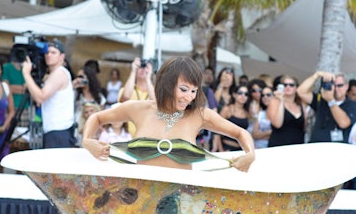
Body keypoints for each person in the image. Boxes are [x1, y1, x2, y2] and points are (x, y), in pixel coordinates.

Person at [82, 56, 255, 172]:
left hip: (181, 205)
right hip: (139, 200)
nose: (189, 97)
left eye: (194, 91)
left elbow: (241, 133)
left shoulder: (200, 115)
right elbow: (96, 117)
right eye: (184, 89)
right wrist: (87, 141)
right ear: (166, 84)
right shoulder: (138, 109)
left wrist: (250, 155)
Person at [22, 39, 76, 148]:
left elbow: (40, 97)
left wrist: (26, 74)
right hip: (56, 130)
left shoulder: (59, 73)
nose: (49, 55)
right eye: (47, 52)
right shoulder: (53, 74)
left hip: (58, 131)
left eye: (53, 52)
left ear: (62, 56)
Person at [297, 71, 356, 143]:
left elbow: (343, 123)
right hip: (316, 146)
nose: (335, 89)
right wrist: (316, 75)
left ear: (347, 86)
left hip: (336, 149)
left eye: (339, 85)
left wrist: (331, 101)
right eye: (332, 85)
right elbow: (301, 92)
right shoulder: (322, 100)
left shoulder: (352, 104)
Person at [118, 57, 155, 136]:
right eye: (140, 67)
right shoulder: (127, 89)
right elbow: (125, 97)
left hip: (147, 137)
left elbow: (157, 102)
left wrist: (148, 78)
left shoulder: (154, 91)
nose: (142, 70)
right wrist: (133, 70)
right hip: (127, 136)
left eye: (145, 67)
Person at [267, 75, 306, 147]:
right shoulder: (274, 101)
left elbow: (304, 127)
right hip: (279, 145)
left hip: (298, 145)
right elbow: (277, 124)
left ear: (296, 88)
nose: (288, 87)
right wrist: (281, 100)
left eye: (291, 85)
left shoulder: (301, 104)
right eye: (285, 85)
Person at [1, 61, 30, 127]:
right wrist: (24, 88)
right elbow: (6, 88)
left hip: (25, 108)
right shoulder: (6, 67)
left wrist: (13, 87)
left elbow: (30, 90)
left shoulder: (28, 69)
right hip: (9, 107)